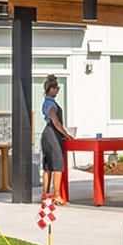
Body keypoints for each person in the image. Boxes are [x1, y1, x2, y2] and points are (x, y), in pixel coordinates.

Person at [41, 74, 71, 205]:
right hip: (53, 134)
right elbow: (56, 122)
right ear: (50, 89)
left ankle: (45, 194)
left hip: (46, 134)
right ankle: (57, 195)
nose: (58, 91)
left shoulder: (45, 102)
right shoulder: (51, 104)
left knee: (48, 166)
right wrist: (67, 134)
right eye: (56, 88)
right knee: (58, 165)